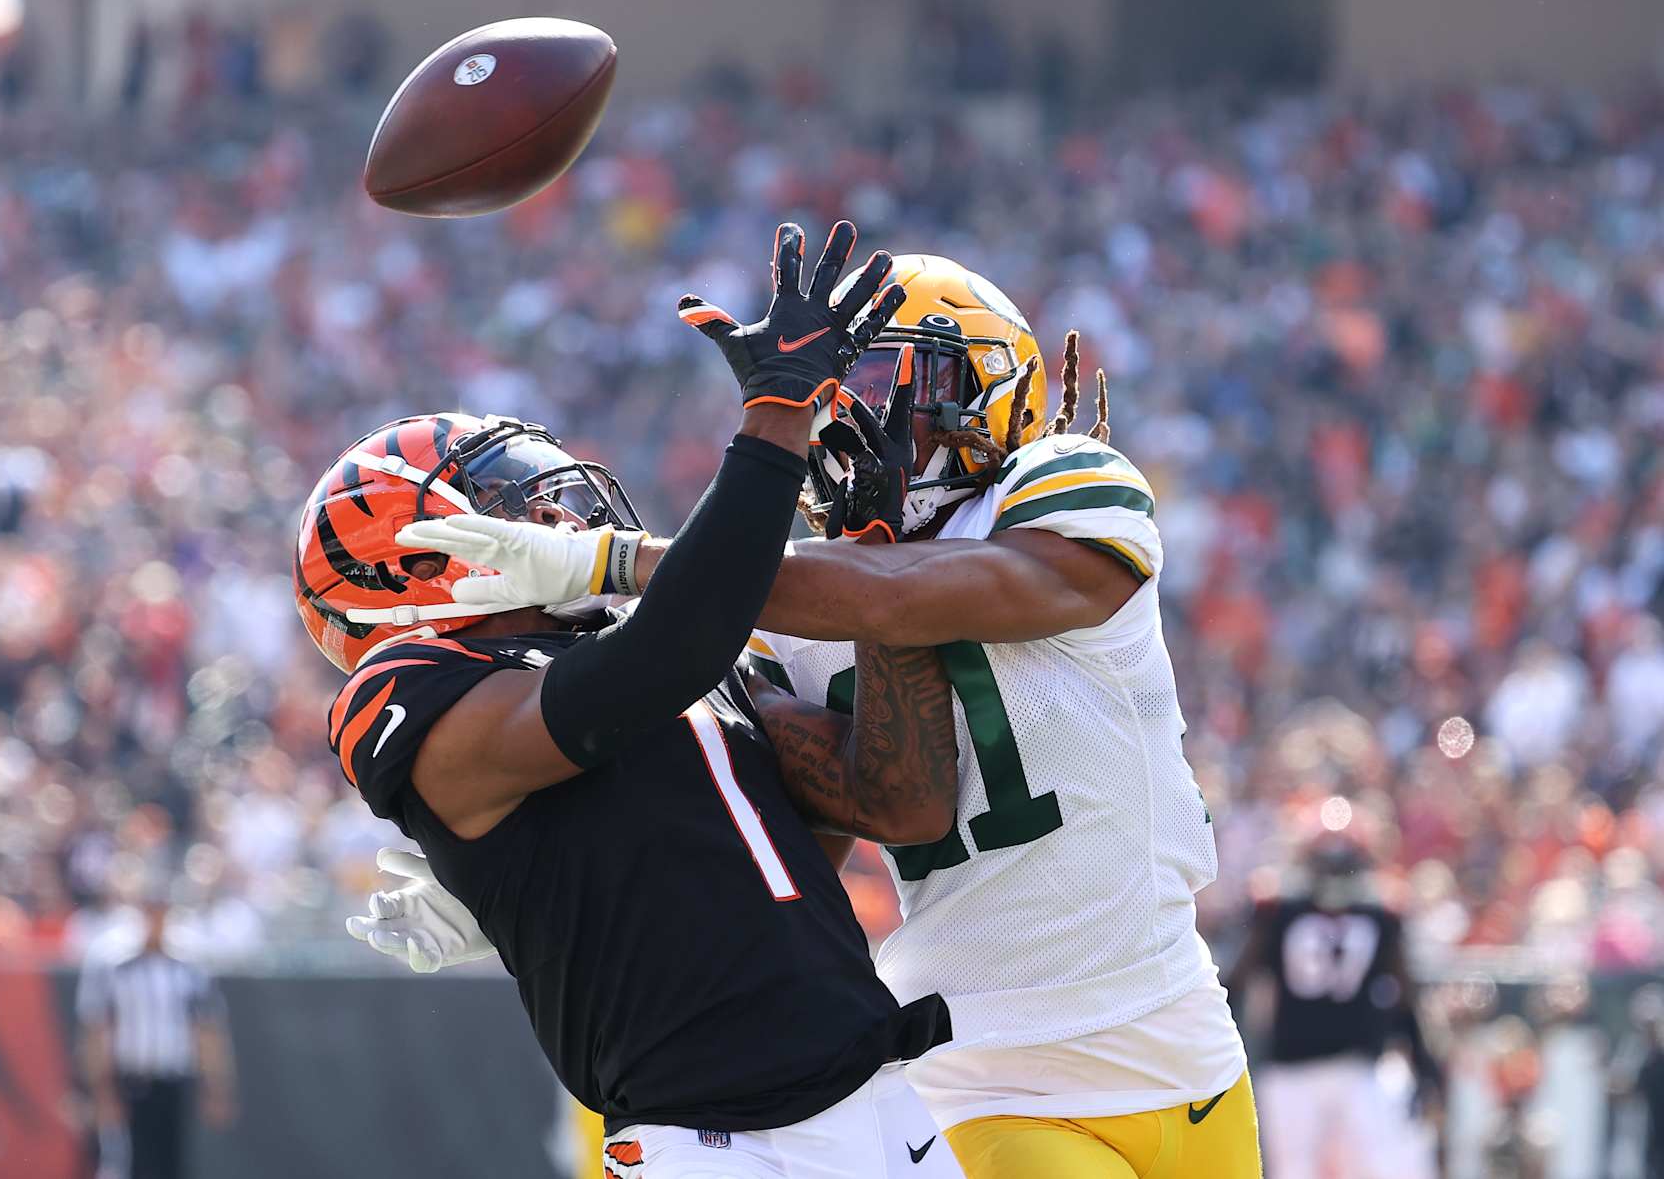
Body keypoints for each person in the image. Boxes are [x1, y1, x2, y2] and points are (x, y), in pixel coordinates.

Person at [350, 254, 1260, 1178]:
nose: (853, 417)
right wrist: (534, 888)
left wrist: (622, 562)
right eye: (836, 392)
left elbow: (943, 590)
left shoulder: (1053, 485)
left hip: (1175, 1026)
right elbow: (806, 841)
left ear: (985, 383)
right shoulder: (793, 609)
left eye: (881, 381)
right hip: (981, 1063)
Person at [306, 220, 971, 1178]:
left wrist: (881, 565)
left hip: (879, 1108)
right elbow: (663, 657)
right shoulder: (417, 694)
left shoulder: (648, 652)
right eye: (502, 502)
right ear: (409, 571)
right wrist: (776, 416)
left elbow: (901, 802)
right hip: (712, 1149)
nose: (552, 512)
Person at [1225, 824, 1441, 1179]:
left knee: (1335, 1167)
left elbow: (1237, 981)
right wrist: (1423, 1061)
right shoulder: (1373, 913)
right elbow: (1406, 996)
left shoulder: (1280, 909)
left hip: (1337, 1067)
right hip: (1319, 1068)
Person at [76, 892, 237, 1179]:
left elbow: (208, 1030)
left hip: (174, 1079)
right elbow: (96, 1030)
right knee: (125, 1164)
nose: (156, 920)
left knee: (172, 1165)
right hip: (129, 1080)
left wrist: (216, 1085)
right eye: (150, 910)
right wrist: (101, 1090)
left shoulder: (191, 964)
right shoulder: (112, 963)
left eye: (162, 911)